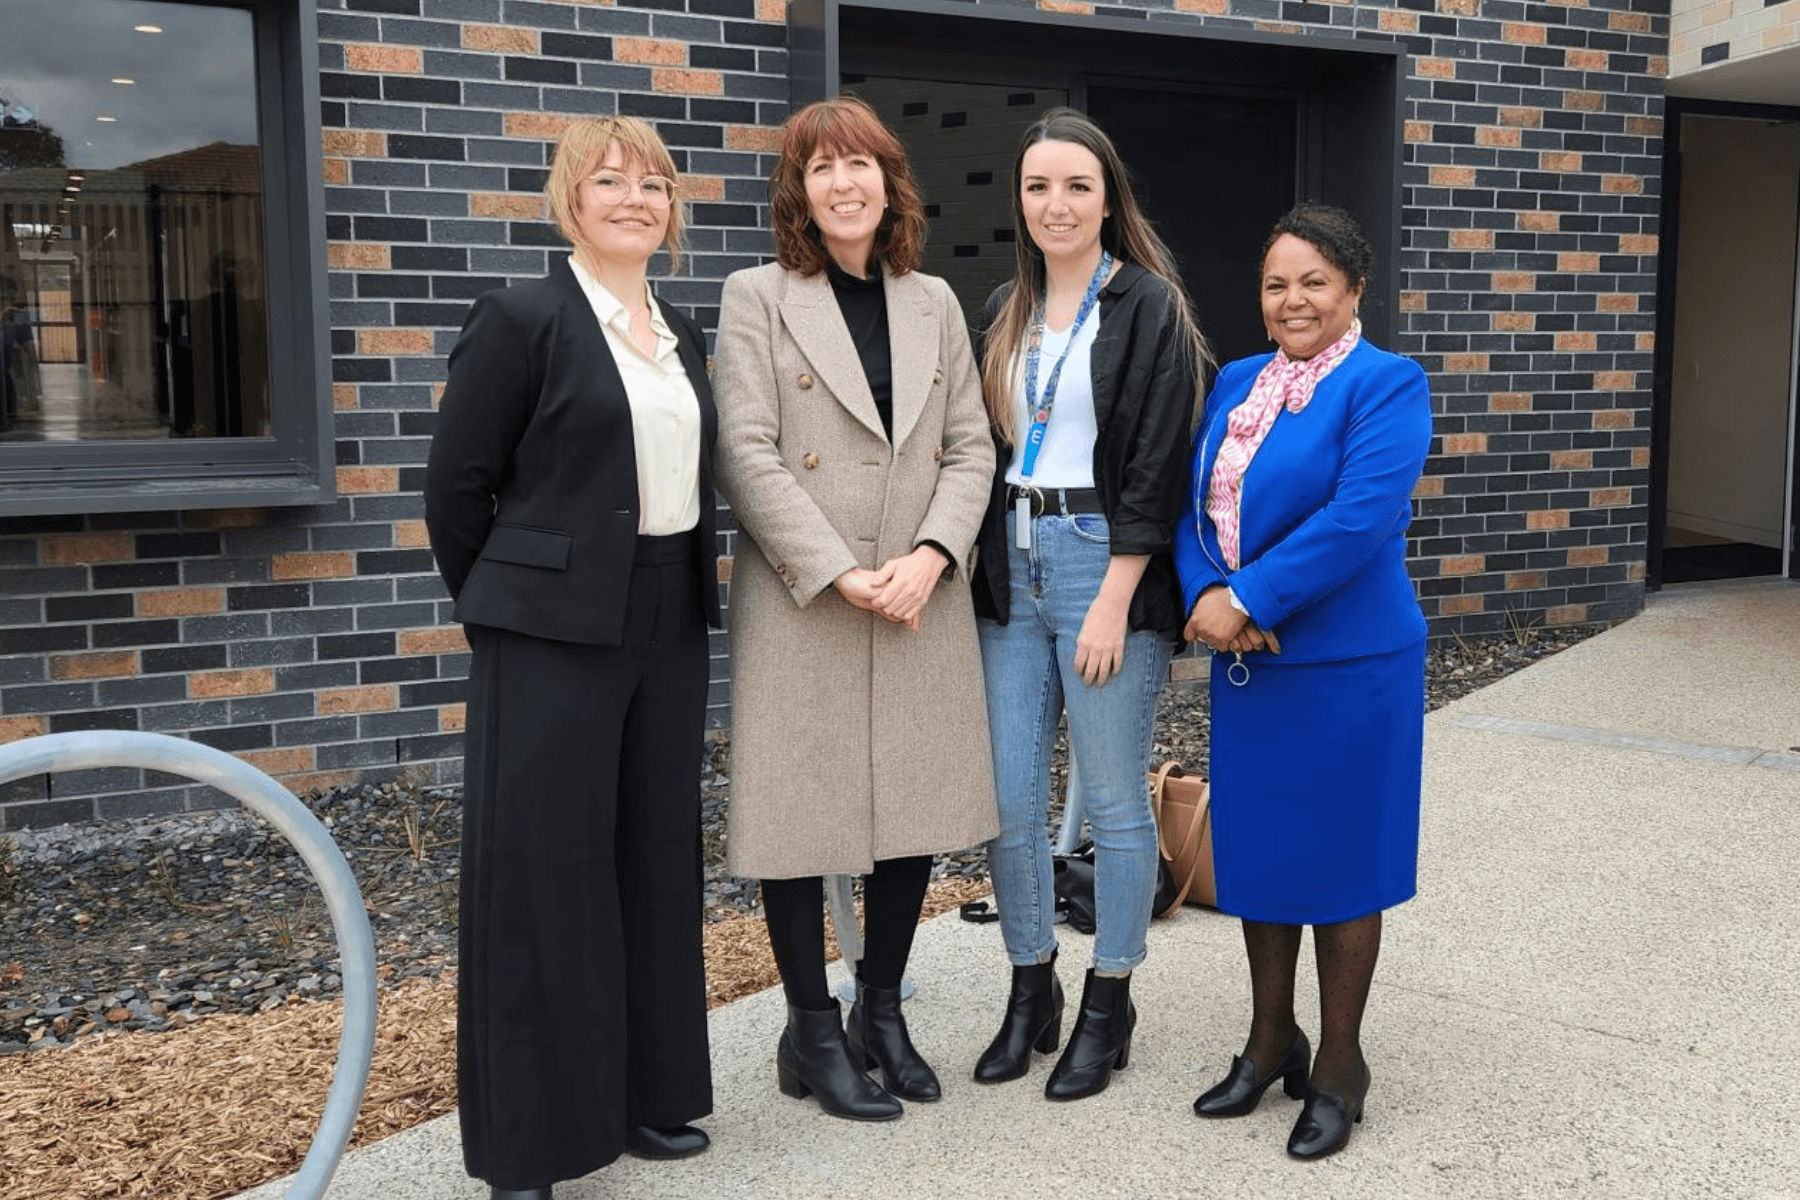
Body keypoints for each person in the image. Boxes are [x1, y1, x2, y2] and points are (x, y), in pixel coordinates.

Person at [424, 116, 718, 1200]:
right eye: (611, 182)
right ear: (571, 201)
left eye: (655, 184)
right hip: (548, 633)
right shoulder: (524, 319)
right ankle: (529, 1147)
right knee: (542, 881)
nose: (636, 199)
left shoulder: (682, 328)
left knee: (651, 862)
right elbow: (455, 490)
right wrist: (508, 608)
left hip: (667, 619)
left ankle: (643, 1097)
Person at [713, 95, 998, 1122]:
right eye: (821, 167)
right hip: (808, 596)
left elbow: (971, 447)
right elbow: (744, 452)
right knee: (801, 815)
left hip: (917, 593)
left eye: (861, 164)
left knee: (910, 806)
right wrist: (840, 570)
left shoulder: (935, 303)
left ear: (890, 182)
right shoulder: (757, 296)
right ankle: (811, 1030)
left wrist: (931, 555)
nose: (844, 183)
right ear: (798, 188)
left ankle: (882, 1009)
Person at [1175, 202, 1432, 1160]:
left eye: (1314, 282)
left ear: (1355, 289)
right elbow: (1194, 508)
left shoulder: (1386, 384)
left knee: (1342, 861)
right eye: (1277, 283)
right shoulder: (1238, 382)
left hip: (1350, 667)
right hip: (1254, 670)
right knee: (1265, 854)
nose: (1293, 300)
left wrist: (1249, 599)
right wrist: (1207, 592)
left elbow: (1359, 518)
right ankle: (1271, 1038)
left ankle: (1341, 1065)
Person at [970, 107, 1207, 1101]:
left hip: (1100, 561)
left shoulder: (1147, 305)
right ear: (1019, 201)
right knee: (1009, 801)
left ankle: (1110, 999)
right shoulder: (1005, 308)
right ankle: (1033, 987)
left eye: (1076, 186)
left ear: (1108, 198)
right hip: (1009, 567)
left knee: (1112, 802)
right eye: (1037, 187)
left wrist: (1115, 594)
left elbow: (1158, 462)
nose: (1055, 204)